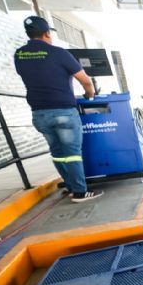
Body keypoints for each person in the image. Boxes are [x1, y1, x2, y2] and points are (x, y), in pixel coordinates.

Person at [14, 16, 103, 203]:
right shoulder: (58, 53)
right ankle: (80, 192)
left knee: (58, 153)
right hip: (62, 111)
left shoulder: (19, 54)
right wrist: (90, 95)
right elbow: (85, 80)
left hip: (39, 114)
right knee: (72, 153)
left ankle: (70, 185)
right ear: (47, 33)